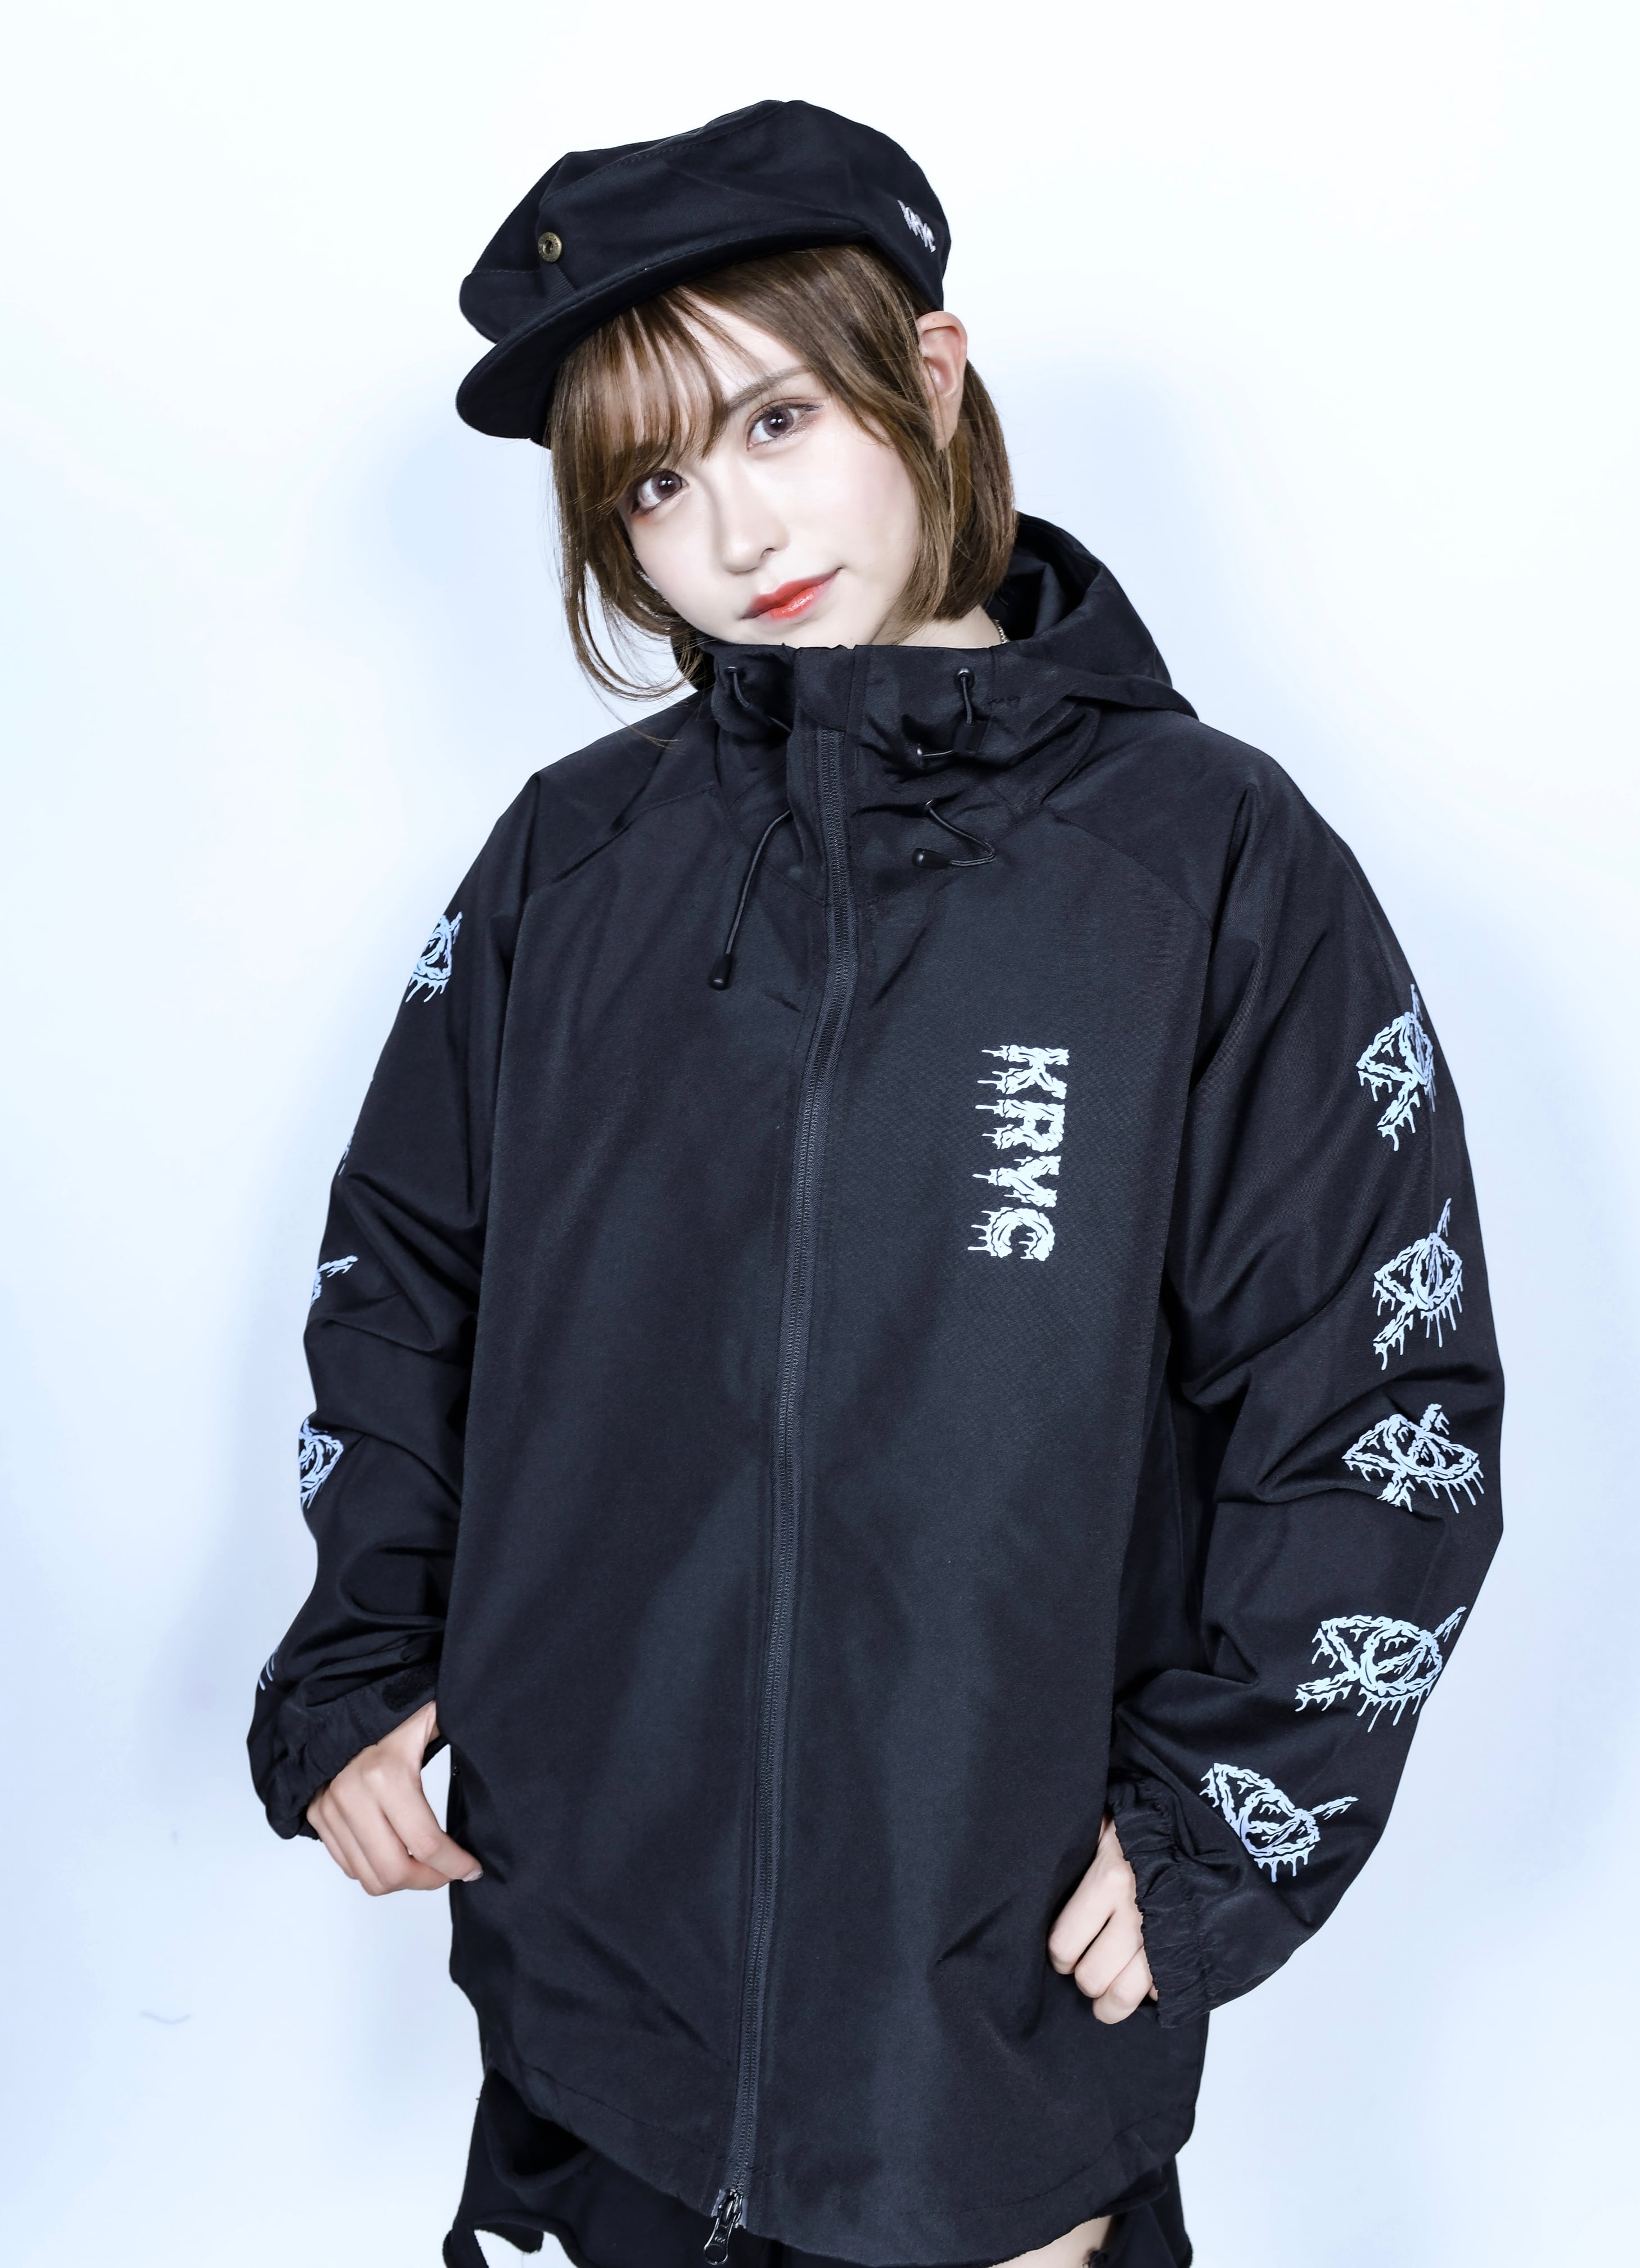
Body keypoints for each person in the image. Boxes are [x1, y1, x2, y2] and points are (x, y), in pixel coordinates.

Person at [249, 100, 1504, 2268]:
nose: (730, 527)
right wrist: (358, 1662)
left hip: (984, 2034)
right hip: (588, 1999)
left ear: (925, 374)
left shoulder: (1203, 861)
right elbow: (406, 1278)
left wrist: (1227, 1821)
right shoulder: (573, 860)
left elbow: (1370, 1390)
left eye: (776, 421)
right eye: (651, 483)